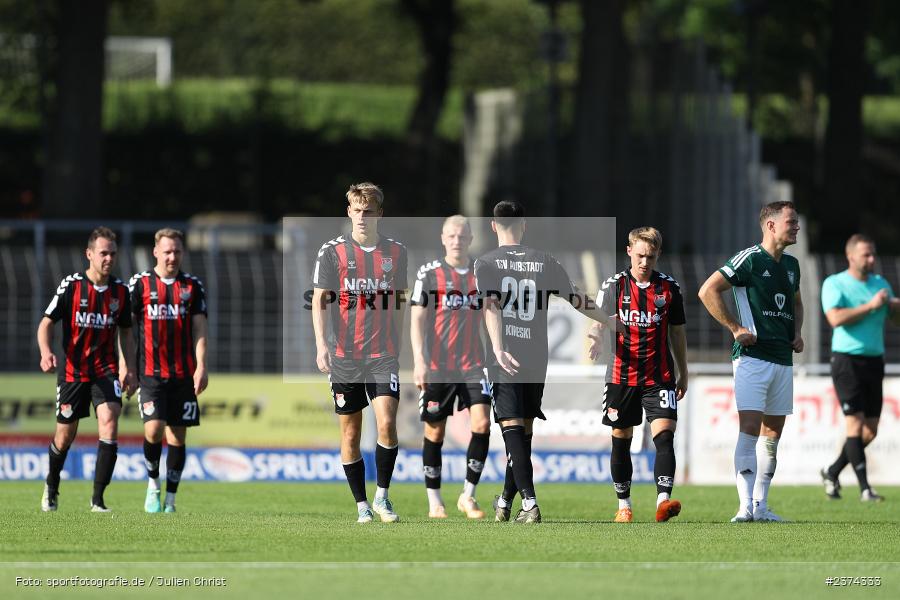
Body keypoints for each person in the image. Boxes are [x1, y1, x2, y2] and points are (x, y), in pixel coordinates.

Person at [475, 201, 609, 524]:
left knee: (511, 432)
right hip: (537, 356)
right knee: (523, 435)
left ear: (493, 226)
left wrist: (497, 348)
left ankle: (530, 505)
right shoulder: (544, 261)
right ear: (524, 225)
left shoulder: (486, 262)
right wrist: (609, 321)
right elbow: (577, 298)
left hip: (505, 357)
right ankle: (506, 501)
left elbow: (490, 307)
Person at [698, 201, 803, 523]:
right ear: (771, 226)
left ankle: (762, 505)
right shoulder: (749, 259)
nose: (797, 227)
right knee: (749, 429)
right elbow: (707, 290)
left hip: (783, 360)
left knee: (773, 436)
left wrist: (797, 332)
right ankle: (744, 506)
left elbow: (797, 302)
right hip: (752, 359)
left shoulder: (792, 265)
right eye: (791, 222)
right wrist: (735, 328)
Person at [312, 182, 408, 523]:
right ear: (349, 212)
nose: (362, 217)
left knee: (387, 423)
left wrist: (401, 345)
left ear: (380, 214)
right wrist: (322, 345)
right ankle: (361, 504)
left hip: (383, 354)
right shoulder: (332, 252)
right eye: (356, 210)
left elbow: (398, 303)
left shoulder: (396, 253)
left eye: (369, 211)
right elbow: (320, 302)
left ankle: (382, 497)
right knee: (350, 433)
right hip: (344, 356)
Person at [587, 227, 688, 523]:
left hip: (659, 376)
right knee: (621, 439)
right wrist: (594, 336)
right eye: (640, 255)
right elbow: (598, 320)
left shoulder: (669, 289)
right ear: (629, 250)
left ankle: (663, 502)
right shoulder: (614, 286)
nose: (645, 262)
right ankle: (624, 505)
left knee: (665, 435)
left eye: (651, 257)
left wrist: (684, 372)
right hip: (621, 376)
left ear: (658, 256)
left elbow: (678, 333)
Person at [37, 226, 136, 512]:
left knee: (110, 419)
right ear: (89, 254)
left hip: (104, 369)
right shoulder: (72, 286)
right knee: (65, 435)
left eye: (113, 254)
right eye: (103, 253)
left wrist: (128, 368)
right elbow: (46, 323)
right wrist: (46, 352)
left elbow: (127, 332)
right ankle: (52, 485)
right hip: (72, 370)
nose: (109, 258)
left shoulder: (120, 291)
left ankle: (98, 499)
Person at [411, 215, 490, 519]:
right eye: (452, 236)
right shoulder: (429, 274)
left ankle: (468, 496)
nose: (457, 241)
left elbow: (490, 315)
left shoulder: (481, 273)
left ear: (470, 239)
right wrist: (419, 360)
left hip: (474, 365)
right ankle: (435, 501)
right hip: (438, 366)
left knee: (482, 424)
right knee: (435, 431)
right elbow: (417, 319)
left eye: (462, 236)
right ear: (443, 239)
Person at [129, 228, 209, 513]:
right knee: (153, 429)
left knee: (178, 436)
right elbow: (127, 329)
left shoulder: (192, 286)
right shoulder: (139, 285)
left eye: (176, 251)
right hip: (150, 372)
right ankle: (153, 484)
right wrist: (127, 366)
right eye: (167, 251)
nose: (172, 256)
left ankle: (171, 499)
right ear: (155, 252)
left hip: (183, 374)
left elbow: (200, 327)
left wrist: (201, 366)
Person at [819, 234, 900, 502]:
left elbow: (894, 321)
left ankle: (832, 471)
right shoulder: (835, 283)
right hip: (846, 361)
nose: (872, 259)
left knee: (870, 430)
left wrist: (893, 307)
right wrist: (871, 305)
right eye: (866, 254)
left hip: (874, 361)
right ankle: (865, 489)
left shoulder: (881, 284)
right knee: (854, 424)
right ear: (851, 256)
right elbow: (835, 318)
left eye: (873, 253)